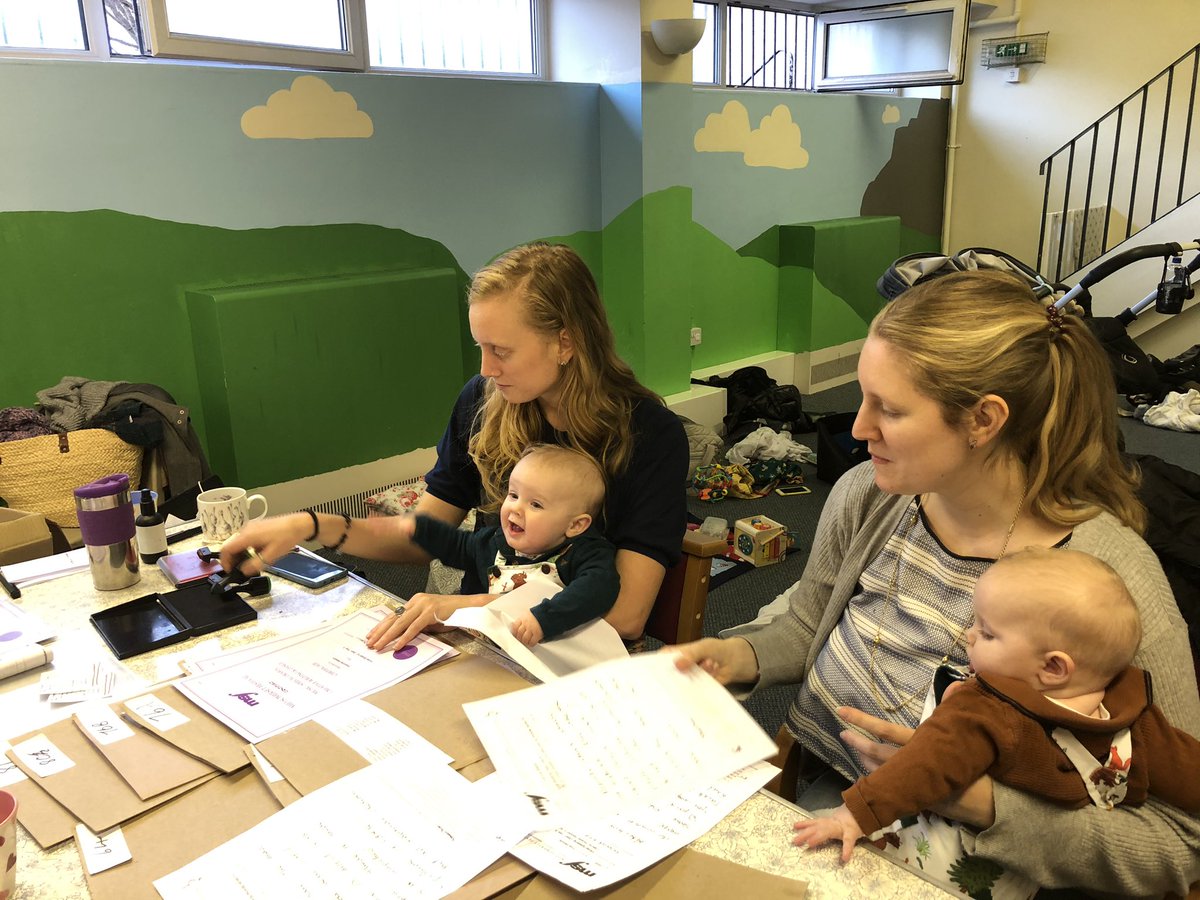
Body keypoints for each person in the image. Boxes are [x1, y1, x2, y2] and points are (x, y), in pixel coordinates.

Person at [671, 270, 1200, 895]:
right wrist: (736, 656)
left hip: (978, 865)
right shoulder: (869, 495)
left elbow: (1179, 843)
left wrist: (981, 804)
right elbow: (810, 623)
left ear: (983, 419)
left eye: (889, 409)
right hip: (823, 801)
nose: (858, 429)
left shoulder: (1107, 578)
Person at [221, 242, 688, 648]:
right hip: (481, 637)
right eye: (480, 347)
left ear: (565, 342)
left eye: (502, 351)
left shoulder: (651, 437)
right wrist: (310, 526)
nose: (486, 369)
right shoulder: (484, 404)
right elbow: (422, 535)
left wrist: (467, 607)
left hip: (570, 658)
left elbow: (626, 615)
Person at [791, 547, 1200, 863]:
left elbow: (922, 767)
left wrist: (852, 817)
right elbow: (1190, 773)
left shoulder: (985, 709)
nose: (968, 636)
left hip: (953, 851)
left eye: (986, 633)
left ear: (1053, 667)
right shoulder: (1138, 719)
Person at [398, 443, 619, 646]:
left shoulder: (585, 553)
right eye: (513, 495)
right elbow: (459, 545)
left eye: (535, 504)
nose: (515, 508)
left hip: (552, 662)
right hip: (494, 650)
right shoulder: (494, 542)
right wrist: (423, 531)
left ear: (575, 525)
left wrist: (544, 619)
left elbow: (596, 590)